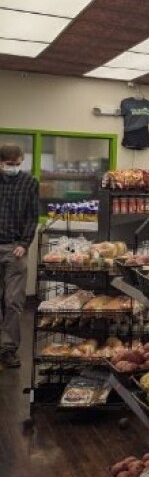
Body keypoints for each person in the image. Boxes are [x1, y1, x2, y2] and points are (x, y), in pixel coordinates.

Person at [0, 143, 39, 369]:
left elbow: (33, 217)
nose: (14, 167)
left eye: (17, 164)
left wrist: (24, 243)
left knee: (13, 301)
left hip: (15, 248)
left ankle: (8, 348)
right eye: (9, 164)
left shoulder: (29, 183)